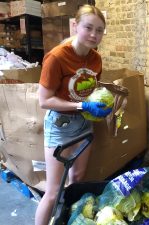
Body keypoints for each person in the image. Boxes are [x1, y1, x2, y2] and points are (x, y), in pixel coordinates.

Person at [35, 5, 111, 225]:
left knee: (77, 180)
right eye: (88, 27)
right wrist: (83, 107)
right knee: (53, 192)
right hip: (61, 124)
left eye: (99, 30)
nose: (94, 35)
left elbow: (90, 90)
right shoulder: (57, 57)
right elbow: (44, 101)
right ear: (75, 25)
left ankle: (68, 219)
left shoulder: (96, 59)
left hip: (84, 123)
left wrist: (102, 104)